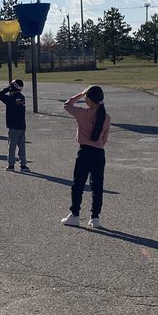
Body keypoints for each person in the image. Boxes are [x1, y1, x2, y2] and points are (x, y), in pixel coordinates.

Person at [62, 86, 110, 230]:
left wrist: (80, 94)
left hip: (85, 152)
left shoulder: (82, 113)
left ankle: (75, 215)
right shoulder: (106, 117)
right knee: (97, 186)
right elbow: (104, 138)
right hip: (99, 153)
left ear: (89, 99)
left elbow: (67, 105)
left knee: (78, 184)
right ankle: (95, 218)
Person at [0, 79, 29, 171]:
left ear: (13, 87)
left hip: (13, 126)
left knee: (12, 146)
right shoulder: (22, 97)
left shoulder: (11, 99)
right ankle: (23, 164)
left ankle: (11, 165)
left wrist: (7, 89)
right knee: (22, 146)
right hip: (22, 125)